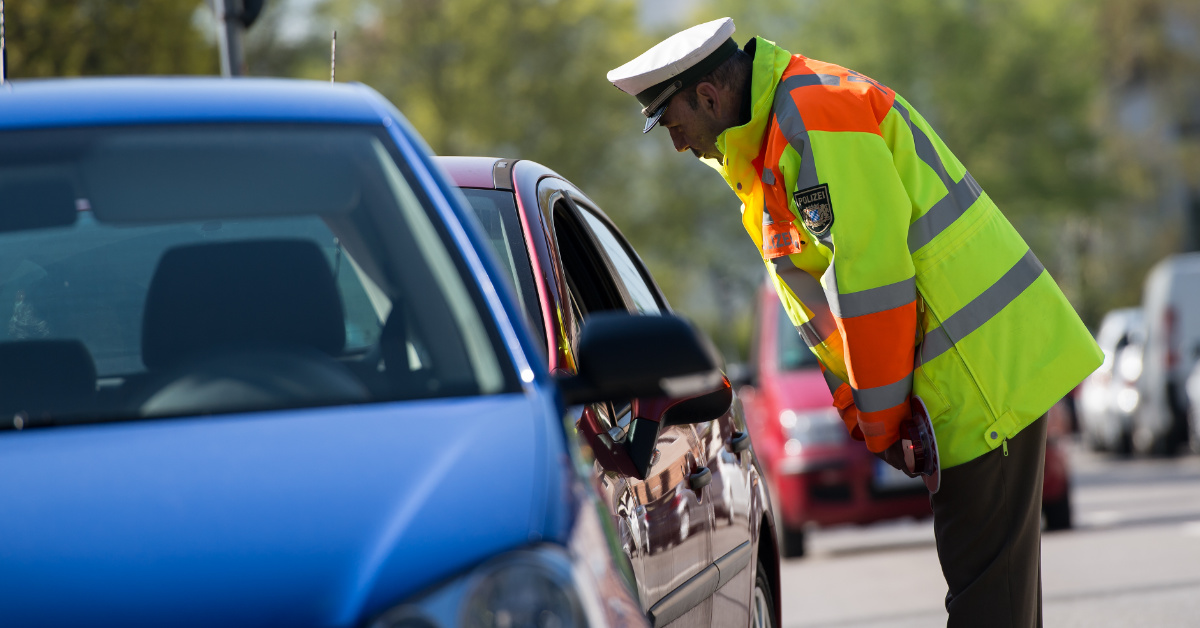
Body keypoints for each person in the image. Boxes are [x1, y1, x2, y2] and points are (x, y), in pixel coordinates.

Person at [608, 17, 1102, 627]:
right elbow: (830, 315)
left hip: (980, 384)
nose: (679, 146)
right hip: (978, 378)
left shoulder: (809, 118)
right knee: (998, 601)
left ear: (708, 97)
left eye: (672, 124)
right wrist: (870, 420)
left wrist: (881, 419)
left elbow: (873, 286)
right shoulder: (778, 135)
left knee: (987, 606)